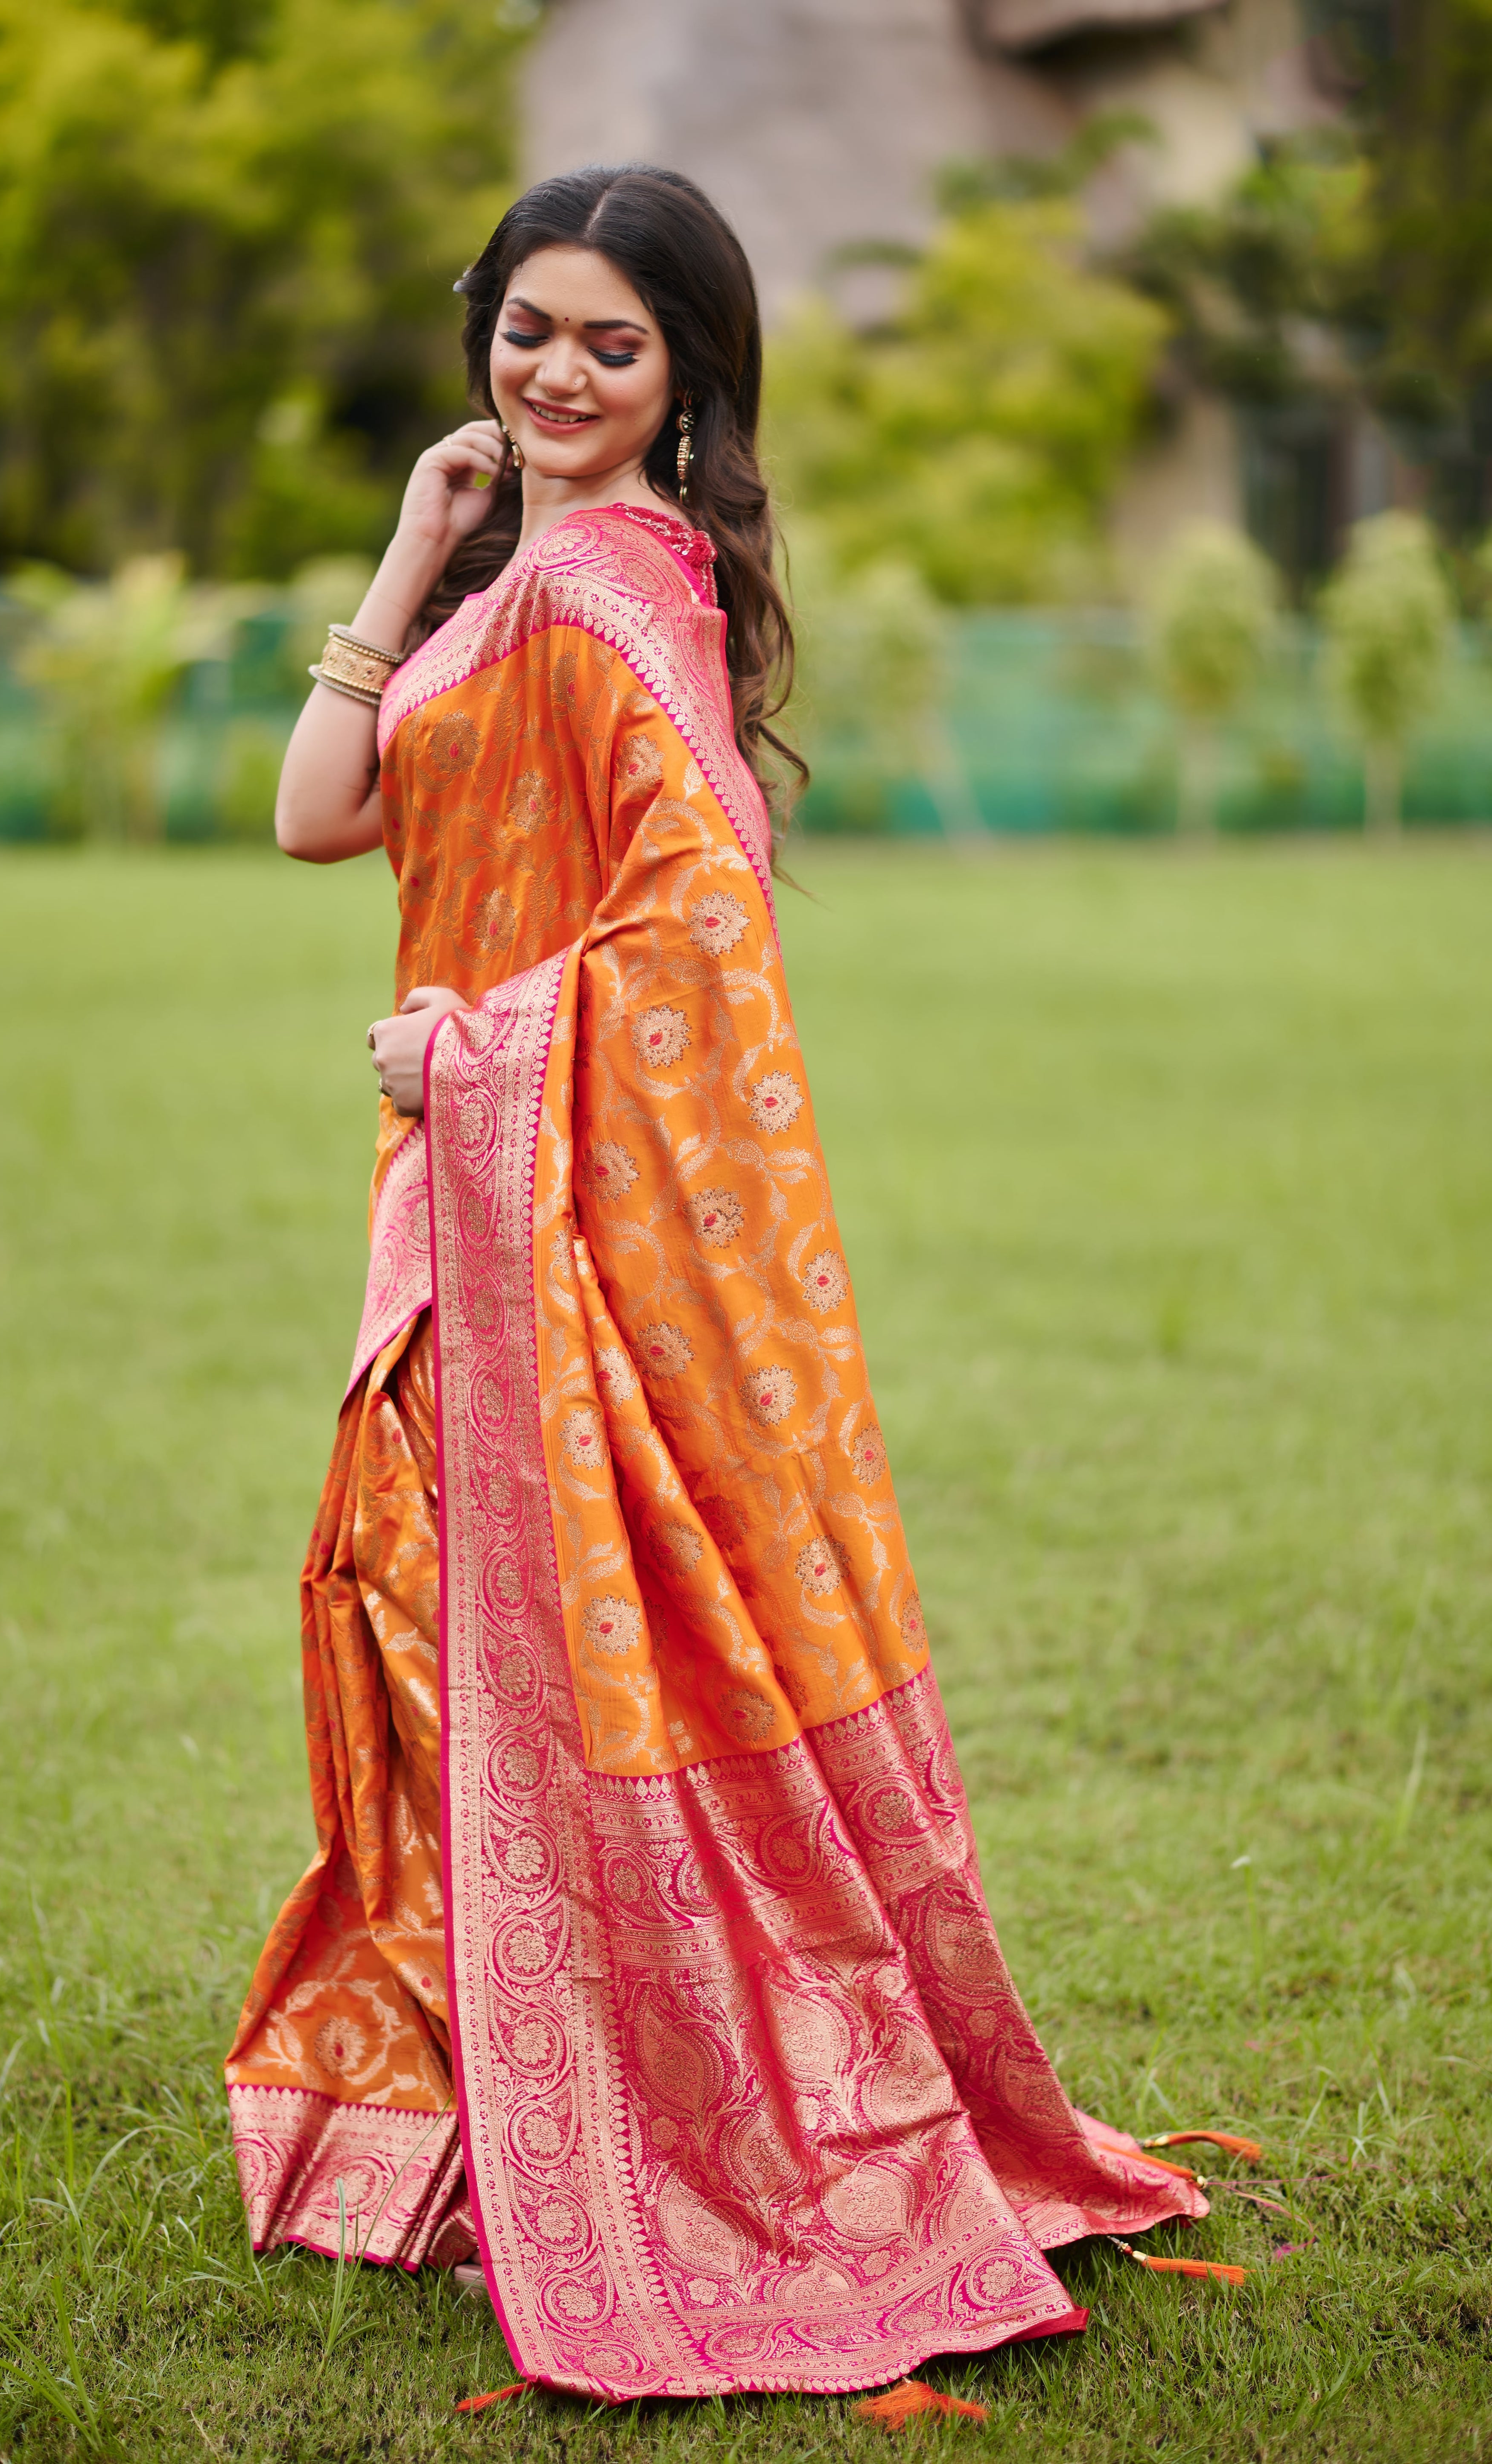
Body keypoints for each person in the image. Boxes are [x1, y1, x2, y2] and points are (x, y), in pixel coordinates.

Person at [225, 163, 1202, 2405]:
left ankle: (665, 2143)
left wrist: (472, 1047)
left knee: (567, 1658)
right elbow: (312, 812)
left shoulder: (613, 596)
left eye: (608, 344)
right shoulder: (519, 577)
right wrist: (409, 546)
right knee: (467, 1639)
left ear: (684, 384)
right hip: (475, 1194)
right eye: (527, 327)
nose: (553, 372)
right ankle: (545, 2111)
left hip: (541, 1188)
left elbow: (701, 933)